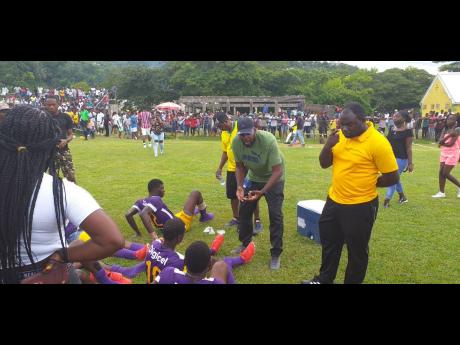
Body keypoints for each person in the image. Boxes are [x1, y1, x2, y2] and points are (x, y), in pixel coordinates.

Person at [0, 105, 125, 284]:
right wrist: (62, 255)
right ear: (50, 148)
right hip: (50, 273)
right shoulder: (62, 192)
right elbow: (112, 240)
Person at [302, 102, 399, 284]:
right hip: (334, 201)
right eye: (341, 124)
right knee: (330, 244)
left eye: (349, 124)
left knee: (357, 251)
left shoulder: (378, 142)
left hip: (361, 206)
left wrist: (370, 182)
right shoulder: (339, 137)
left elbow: (392, 177)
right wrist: (329, 144)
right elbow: (324, 163)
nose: (344, 128)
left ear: (363, 120)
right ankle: (324, 279)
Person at [231, 117, 286, 270]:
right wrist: (240, 186)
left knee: (275, 215)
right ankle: (245, 243)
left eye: (248, 134)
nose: (245, 138)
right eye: (242, 135)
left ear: (255, 129)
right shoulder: (236, 142)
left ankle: (275, 253)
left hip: (274, 178)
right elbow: (240, 166)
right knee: (245, 210)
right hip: (254, 176)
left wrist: (262, 192)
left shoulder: (268, 140)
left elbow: (277, 171)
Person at [215, 112, 263, 233]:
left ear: (226, 121)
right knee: (233, 195)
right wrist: (220, 167)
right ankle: (236, 218)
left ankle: (257, 220)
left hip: (245, 167)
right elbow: (225, 152)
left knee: (250, 194)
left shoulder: (240, 128)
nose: (221, 129)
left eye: (221, 126)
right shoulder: (224, 134)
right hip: (232, 168)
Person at [125, 179, 214, 239]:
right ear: (155, 190)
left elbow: (128, 214)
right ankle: (204, 216)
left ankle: (194, 211)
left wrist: (137, 233)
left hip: (167, 225)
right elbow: (143, 214)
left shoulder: (141, 201)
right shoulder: (156, 199)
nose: (164, 190)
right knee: (196, 193)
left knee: (182, 212)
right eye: (162, 188)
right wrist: (154, 237)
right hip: (179, 226)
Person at [155, 238, 255, 284]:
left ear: (185, 262)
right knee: (222, 265)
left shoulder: (168, 272)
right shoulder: (215, 283)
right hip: (213, 266)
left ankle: (213, 250)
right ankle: (242, 259)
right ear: (209, 267)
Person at [383, 111, 414, 208]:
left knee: (392, 178)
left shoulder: (408, 131)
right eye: (394, 115)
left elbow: (409, 148)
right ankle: (402, 197)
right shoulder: (392, 129)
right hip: (390, 157)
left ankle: (387, 200)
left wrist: (410, 163)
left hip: (401, 159)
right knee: (396, 178)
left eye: (397, 116)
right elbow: (387, 142)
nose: (394, 117)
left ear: (404, 119)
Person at [44, 95, 76, 183]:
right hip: (48, 152)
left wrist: (66, 141)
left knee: (70, 177)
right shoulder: (42, 118)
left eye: (53, 104)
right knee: (51, 178)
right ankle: (54, 196)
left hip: (64, 150)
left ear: (58, 104)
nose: (51, 106)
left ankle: (72, 195)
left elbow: (71, 134)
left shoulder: (66, 117)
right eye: (49, 105)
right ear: (45, 105)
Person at [432, 115, 460, 198]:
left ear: (455, 121)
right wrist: (449, 135)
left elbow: (451, 144)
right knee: (441, 172)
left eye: (451, 119)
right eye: (448, 119)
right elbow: (439, 141)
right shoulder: (445, 129)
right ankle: (441, 192)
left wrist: (442, 143)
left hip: (453, 153)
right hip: (444, 153)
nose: (449, 120)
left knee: (445, 173)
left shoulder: (457, 130)